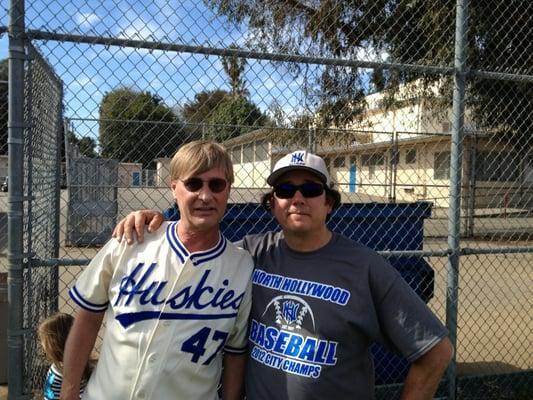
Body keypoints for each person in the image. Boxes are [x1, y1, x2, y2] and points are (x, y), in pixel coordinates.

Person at [114, 149, 454, 400]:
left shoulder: (365, 267)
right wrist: (156, 223)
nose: (297, 199)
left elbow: (435, 351)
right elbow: (195, 247)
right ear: (272, 203)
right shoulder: (250, 254)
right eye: (285, 191)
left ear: (329, 203)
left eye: (310, 190)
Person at [61, 141, 254, 400]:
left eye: (216, 185)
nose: (206, 196)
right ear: (174, 187)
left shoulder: (241, 266)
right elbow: (88, 318)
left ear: (229, 189)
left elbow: (235, 351)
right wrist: (69, 391)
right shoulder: (131, 240)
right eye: (193, 184)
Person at [38, 312, 93, 400]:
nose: (41, 344)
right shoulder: (80, 365)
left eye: (43, 340)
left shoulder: (61, 370)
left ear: (54, 345)